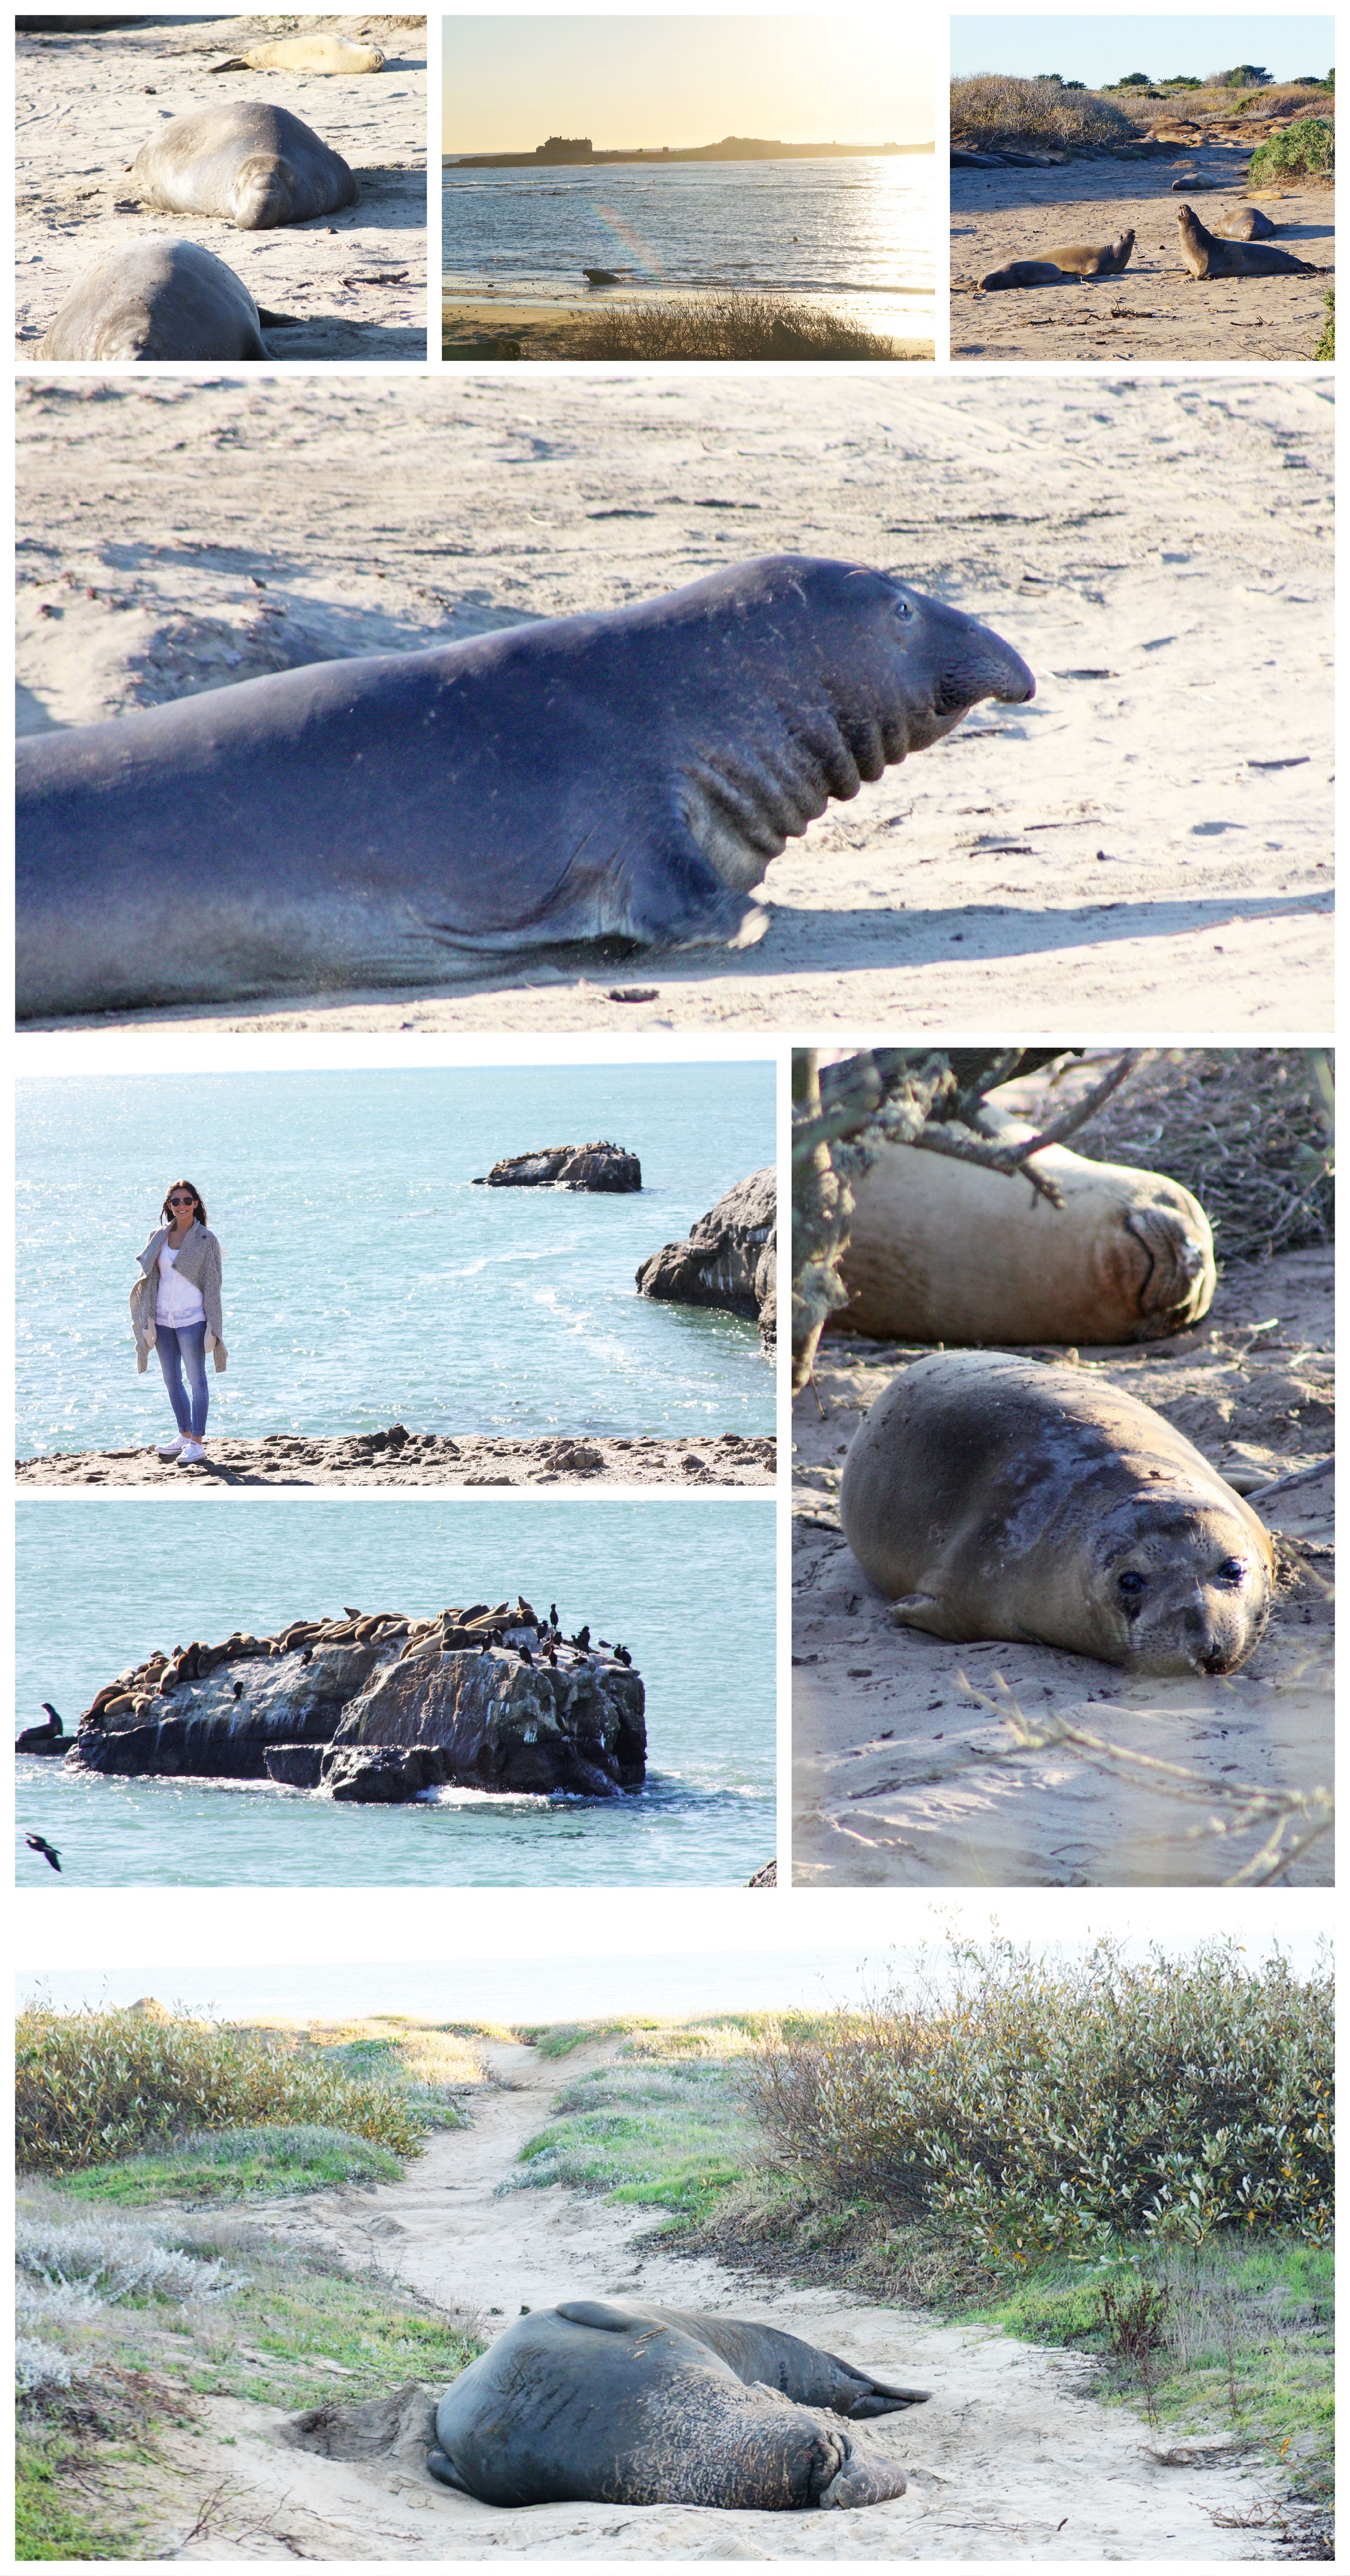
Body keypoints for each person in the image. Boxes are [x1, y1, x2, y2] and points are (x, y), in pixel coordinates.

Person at [130, 1180, 227, 1467]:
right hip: (163, 1319)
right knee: (171, 1381)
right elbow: (150, 1281)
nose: (181, 1206)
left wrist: (213, 1323)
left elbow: (213, 1284)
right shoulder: (157, 1236)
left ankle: (198, 1443)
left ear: (196, 1203)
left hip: (192, 1319)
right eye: (175, 1202)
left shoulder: (206, 1239)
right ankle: (184, 1436)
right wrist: (146, 1317)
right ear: (168, 1206)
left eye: (187, 1201)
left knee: (198, 1381)